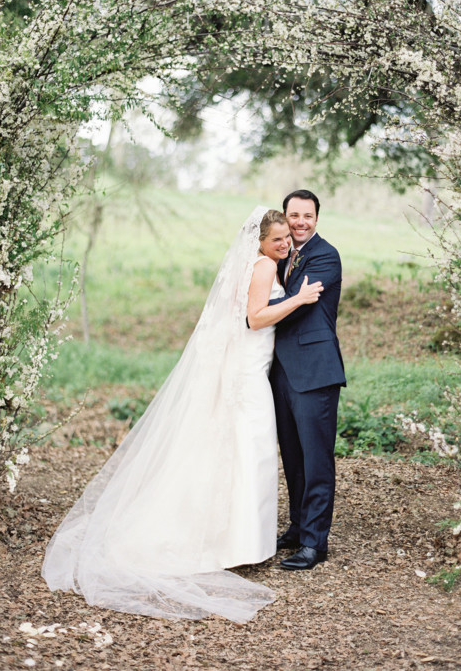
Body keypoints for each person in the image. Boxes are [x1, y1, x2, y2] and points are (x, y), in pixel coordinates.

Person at [41, 207, 323, 623]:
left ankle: (232, 539)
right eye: (276, 239)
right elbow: (254, 318)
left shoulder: (252, 263)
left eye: (286, 238)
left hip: (246, 368)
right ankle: (239, 544)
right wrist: (298, 298)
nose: (284, 244)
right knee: (252, 449)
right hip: (247, 375)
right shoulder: (264, 266)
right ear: (259, 242)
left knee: (237, 449)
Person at [269, 190, 346, 570]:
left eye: (307, 215)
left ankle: (316, 543)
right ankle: (299, 527)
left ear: (317, 218)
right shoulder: (282, 255)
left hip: (315, 370)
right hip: (280, 370)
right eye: (293, 215)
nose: (300, 222)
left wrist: (252, 307)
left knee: (316, 459)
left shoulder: (325, 256)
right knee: (294, 456)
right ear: (285, 216)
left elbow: (297, 306)